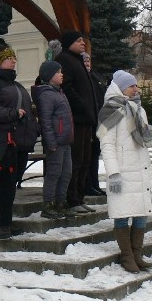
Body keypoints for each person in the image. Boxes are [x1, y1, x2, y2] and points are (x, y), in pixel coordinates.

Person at [97, 70, 152, 273]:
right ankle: (127, 256)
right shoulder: (111, 109)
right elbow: (107, 144)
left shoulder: (138, 109)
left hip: (140, 169)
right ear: (119, 87)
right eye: (131, 85)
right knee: (122, 214)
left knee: (142, 213)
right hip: (123, 171)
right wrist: (113, 172)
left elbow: (142, 140)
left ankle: (137, 254)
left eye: (135, 85)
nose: (135, 88)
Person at [0, 46, 40, 239]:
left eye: (14, 57)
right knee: (4, 184)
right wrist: (10, 114)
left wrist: (34, 129)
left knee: (10, 185)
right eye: (9, 57)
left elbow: (27, 111)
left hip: (19, 142)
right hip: (1, 142)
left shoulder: (17, 86)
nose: (14, 60)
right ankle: (4, 224)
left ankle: (4, 221)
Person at [55, 31, 98, 214]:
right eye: (78, 40)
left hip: (86, 119)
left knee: (85, 160)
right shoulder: (64, 60)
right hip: (76, 119)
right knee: (76, 160)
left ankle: (79, 197)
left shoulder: (77, 59)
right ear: (69, 43)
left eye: (83, 40)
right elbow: (68, 88)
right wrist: (84, 108)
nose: (82, 43)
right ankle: (71, 199)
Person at [33, 61, 74, 220]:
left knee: (66, 173)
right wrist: (51, 142)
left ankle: (60, 202)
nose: (61, 74)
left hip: (65, 141)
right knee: (54, 174)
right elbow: (46, 121)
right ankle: (48, 204)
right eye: (58, 72)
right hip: (56, 143)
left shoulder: (59, 92)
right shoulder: (47, 95)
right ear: (49, 76)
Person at [82, 51, 107, 197]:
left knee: (95, 155)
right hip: (89, 122)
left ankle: (94, 184)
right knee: (88, 155)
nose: (87, 63)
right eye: (84, 61)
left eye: (88, 61)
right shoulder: (83, 79)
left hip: (98, 122)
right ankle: (87, 185)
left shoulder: (95, 78)